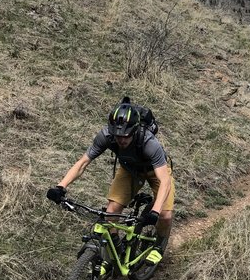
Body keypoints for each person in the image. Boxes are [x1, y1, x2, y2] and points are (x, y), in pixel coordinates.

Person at [46, 98, 174, 261]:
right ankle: (116, 252)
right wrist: (60, 186)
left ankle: (159, 245)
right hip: (129, 170)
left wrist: (155, 211)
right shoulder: (106, 135)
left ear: (134, 131)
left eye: (125, 136)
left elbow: (164, 180)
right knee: (111, 212)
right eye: (117, 135)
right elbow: (83, 162)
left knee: (165, 216)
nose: (121, 140)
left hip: (155, 172)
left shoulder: (149, 142)